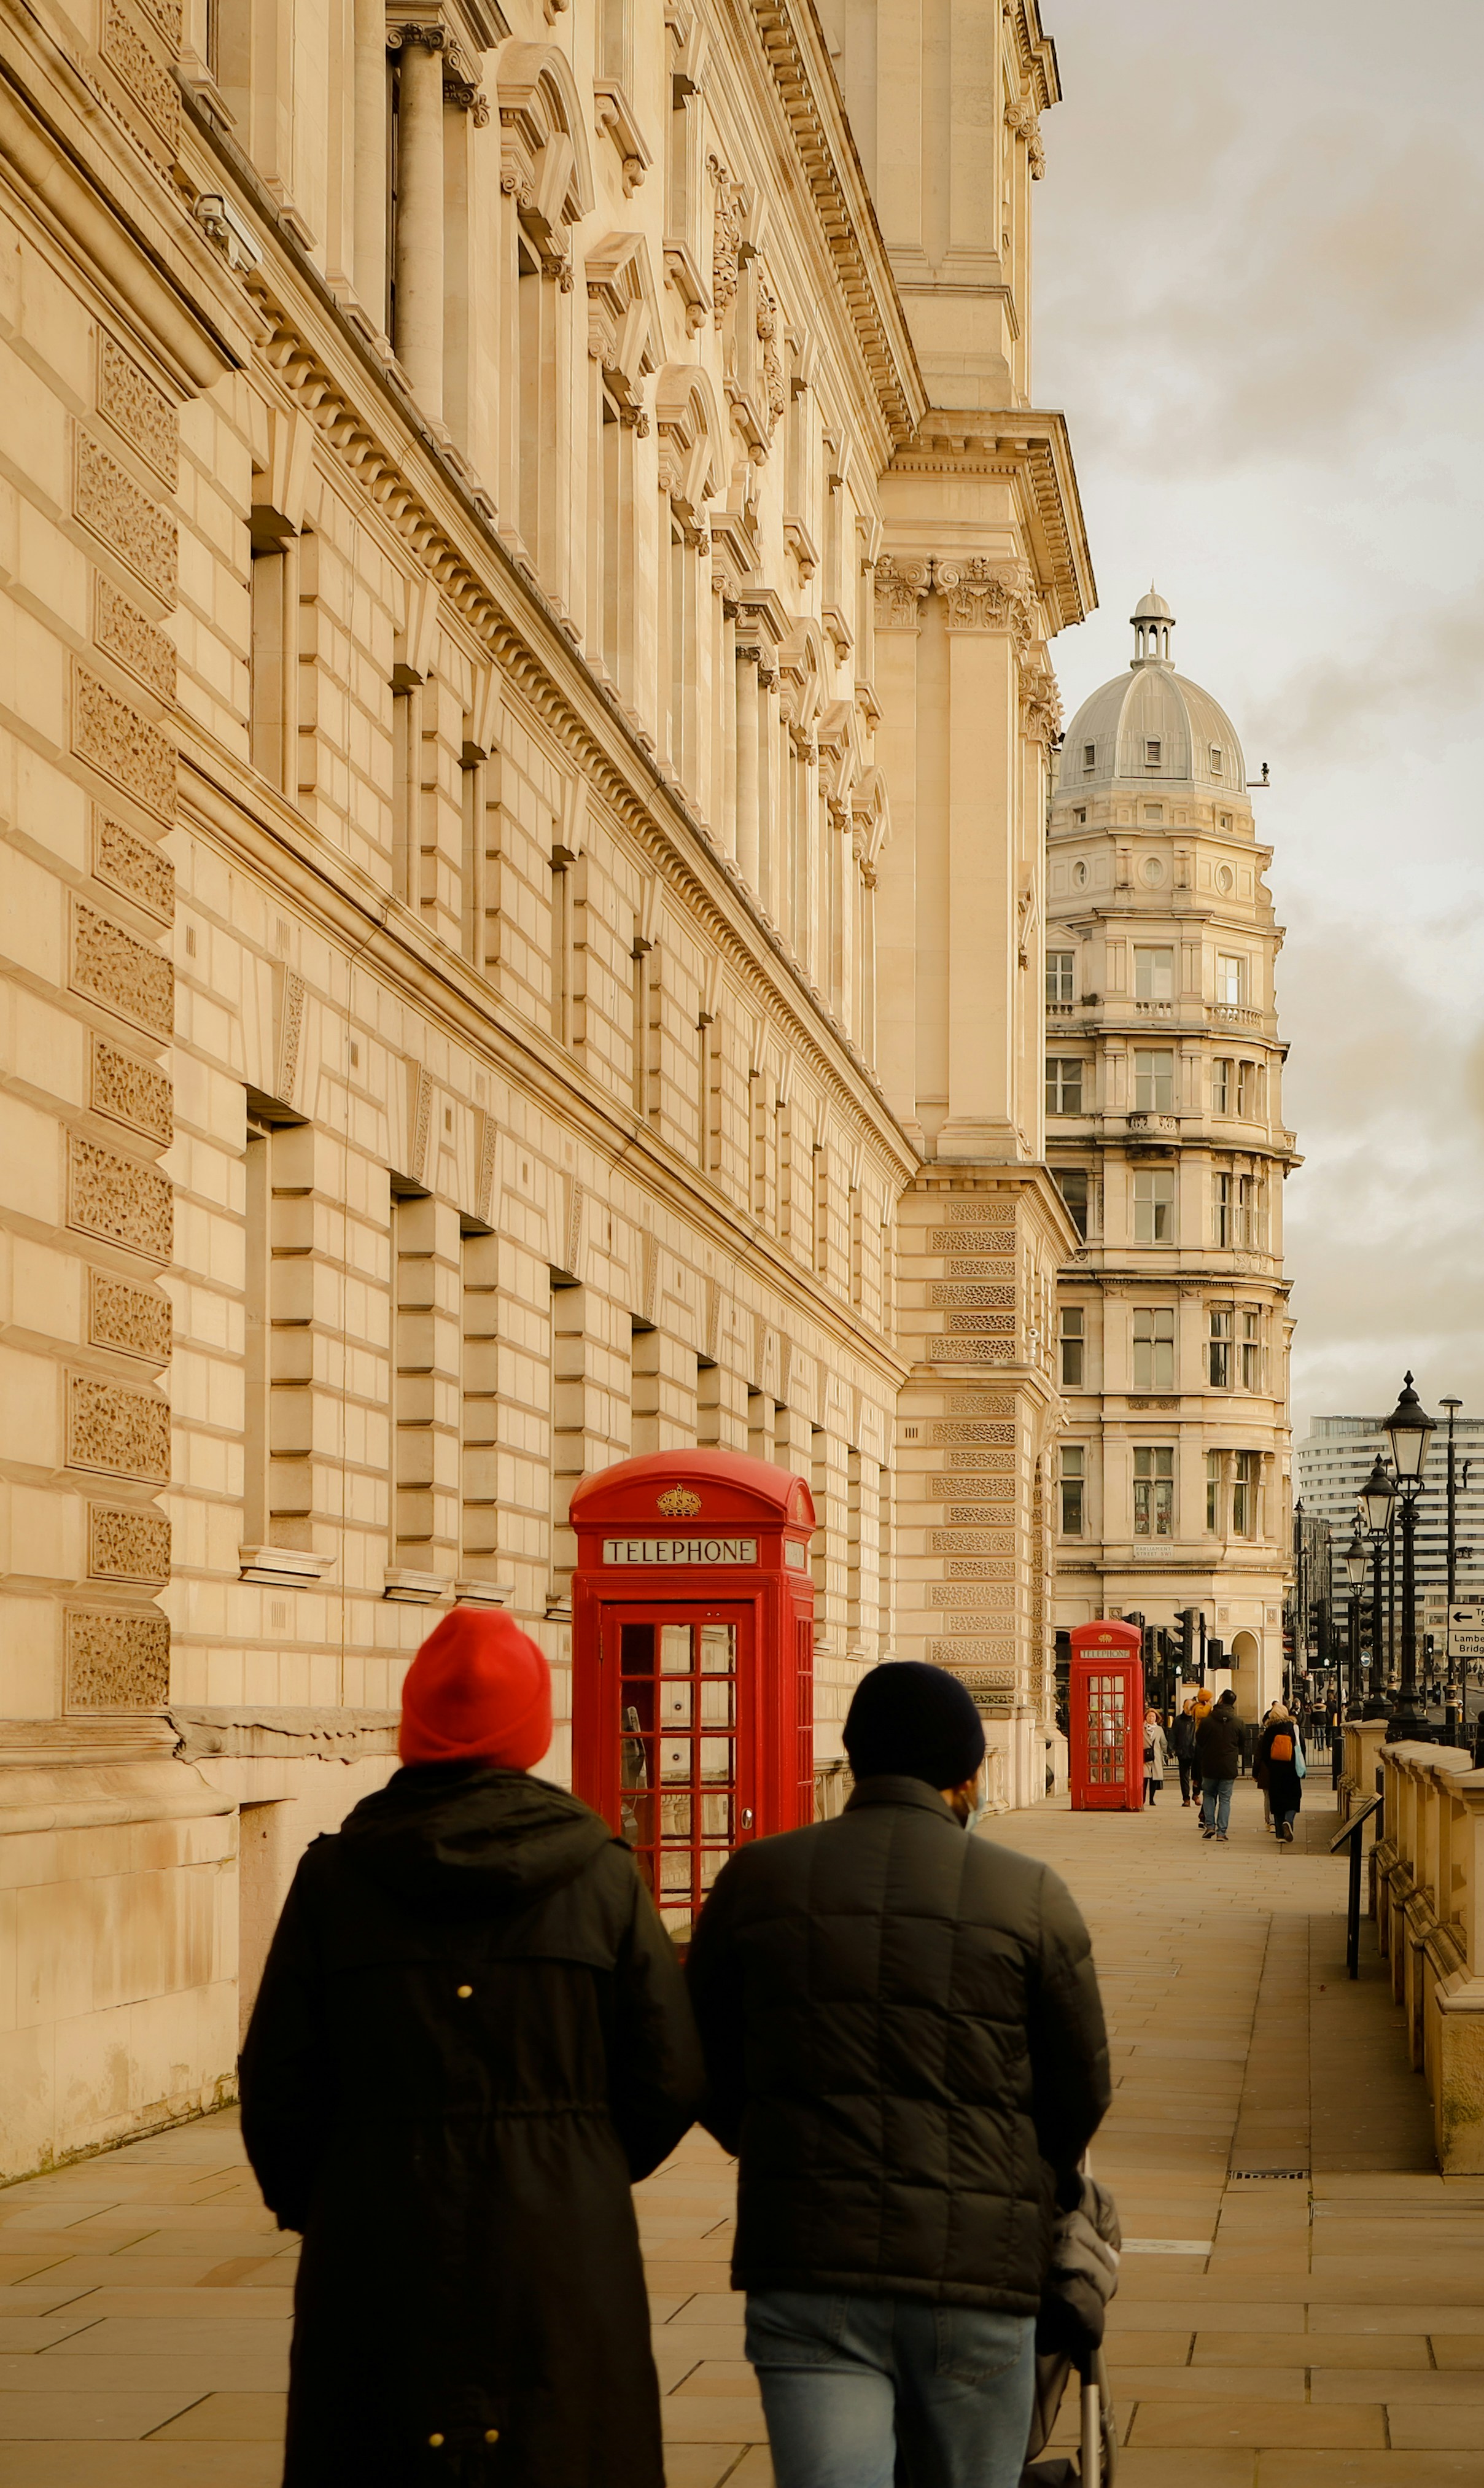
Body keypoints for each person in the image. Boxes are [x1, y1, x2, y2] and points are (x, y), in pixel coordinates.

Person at [239, 1608, 704, 2488]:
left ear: (415, 1721)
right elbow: (671, 2072)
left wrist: (331, 2201)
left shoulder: (334, 1878)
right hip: (561, 2230)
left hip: (377, 2227)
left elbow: (277, 2084)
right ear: (532, 1726)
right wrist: (581, 2158)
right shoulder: (603, 1872)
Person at [686, 1660, 1111, 2488]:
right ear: (967, 1773)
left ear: (856, 1755)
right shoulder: (1028, 1893)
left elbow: (700, 2056)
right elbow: (1080, 2087)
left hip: (807, 2261)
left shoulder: (757, 1877)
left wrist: (771, 2141)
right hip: (977, 2271)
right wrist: (1025, 2176)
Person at [1195, 1687, 1241, 1842]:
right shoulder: (1238, 1723)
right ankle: (1222, 1832)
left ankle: (1210, 1826)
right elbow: (1243, 1744)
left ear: (1220, 1700)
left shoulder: (1207, 1722)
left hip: (1209, 1764)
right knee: (1225, 1799)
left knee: (1209, 1795)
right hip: (1228, 1766)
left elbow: (1199, 1741)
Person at [1256, 1698, 1305, 1844]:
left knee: (1277, 1802)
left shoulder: (1270, 1730)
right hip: (1292, 1770)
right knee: (1293, 1798)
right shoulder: (1294, 1728)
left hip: (1275, 1771)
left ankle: (1280, 1835)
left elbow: (1265, 1752)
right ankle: (1288, 1821)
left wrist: (1271, 1765)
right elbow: (1301, 1747)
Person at [1170, 1698, 1197, 1808]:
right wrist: (1172, 1749)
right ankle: (1186, 1798)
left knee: (1198, 1775)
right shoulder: (1178, 1720)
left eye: (1191, 1708)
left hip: (1195, 1751)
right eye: (1187, 1707)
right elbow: (1173, 1735)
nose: (1189, 1710)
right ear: (1183, 1707)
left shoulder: (1197, 1719)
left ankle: (1196, 1794)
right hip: (1183, 1751)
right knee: (1184, 1777)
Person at [1143, 1705, 1169, 1807]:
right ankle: (1143, 1798)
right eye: (1149, 1716)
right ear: (1146, 1717)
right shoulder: (1141, 1728)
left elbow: (1163, 1743)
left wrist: (1166, 1754)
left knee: (1154, 1780)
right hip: (1145, 1757)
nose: (1151, 1718)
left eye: (1153, 1716)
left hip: (1156, 1756)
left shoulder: (1159, 1729)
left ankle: (1151, 1799)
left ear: (1156, 1718)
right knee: (1144, 1779)